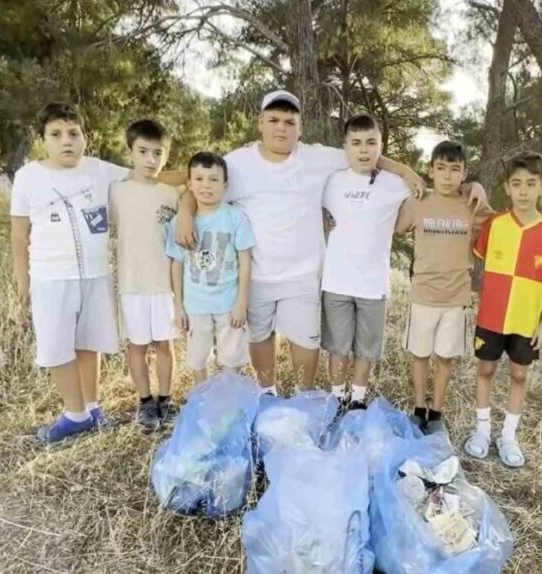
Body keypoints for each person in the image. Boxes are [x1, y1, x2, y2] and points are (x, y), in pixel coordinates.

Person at [174, 90, 487, 396]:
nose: (281, 127)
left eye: (289, 121)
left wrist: (412, 172)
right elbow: (202, 182)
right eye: (274, 120)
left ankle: (304, 396)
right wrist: (186, 212)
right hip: (256, 271)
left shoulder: (317, 157)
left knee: (306, 343)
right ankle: (266, 393)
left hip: (303, 272)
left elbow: (366, 156)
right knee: (259, 336)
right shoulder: (239, 162)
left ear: (300, 128)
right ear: (260, 122)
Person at [10, 103, 133, 444]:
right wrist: (23, 284)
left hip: (95, 275)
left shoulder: (99, 170)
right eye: (56, 134)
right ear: (43, 139)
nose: (66, 141)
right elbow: (19, 234)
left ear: (86, 137)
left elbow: (143, 177)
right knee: (56, 346)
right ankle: (74, 413)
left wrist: (197, 177)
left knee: (88, 342)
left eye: (74, 133)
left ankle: (92, 408)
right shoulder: (28, 177)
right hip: (51, 277)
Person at [464, 151, 542, 468]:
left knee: (519, 375)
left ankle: (508, 437)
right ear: (507, 188)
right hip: (491, 315)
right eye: (516, 184)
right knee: (486, 370)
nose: (523, 191)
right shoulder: (496, 224)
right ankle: (481, 432)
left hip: (526, 319)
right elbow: (472, 257)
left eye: (531, 184)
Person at [394, 140, 495, 436]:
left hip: (455, 297)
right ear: (430, 171)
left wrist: (479, 188)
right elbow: (395, 225)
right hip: (423, 294)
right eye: (441, 168)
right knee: (420, 355)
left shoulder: (471, 205)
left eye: (455, 169)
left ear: (463, 173)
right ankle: (418, 409)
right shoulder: (418, 203)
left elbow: (503, 223)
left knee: (445, 357)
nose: (448, 176)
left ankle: (436, 411)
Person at [320, 115, 410, 410]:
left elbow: (429, 194)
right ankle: (336, 395)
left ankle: (357, 398)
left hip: (373, 284)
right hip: (336, 280)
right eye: (356, 143)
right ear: (346, 147)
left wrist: (477, 190)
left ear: (380, 146)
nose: (364, 150)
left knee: (366, 349)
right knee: (337, 346)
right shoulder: (330, 181)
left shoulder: (395, 184)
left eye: (371, 142)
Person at [110, 119, 181, 431]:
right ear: (131, 153)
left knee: (165, 344)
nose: (151, 159)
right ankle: (145, 401)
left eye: (158, 153)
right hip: (132, 282)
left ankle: (166, 399)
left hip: (164, 282)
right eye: (143, 152)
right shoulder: (116, 191)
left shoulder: (171, 194)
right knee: (137, 346)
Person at [166, 152, 256, 385]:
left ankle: (229, 400)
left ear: (225, 185)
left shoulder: (235, 217)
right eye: (199, 179)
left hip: (229, 303)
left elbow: (245, 260)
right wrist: (178, 306)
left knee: (231, 359)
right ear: (189, 184)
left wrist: (241, 303)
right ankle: (202, 398)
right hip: (196, 304)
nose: (206, 185)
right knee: (198, 358)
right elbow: (177, 264)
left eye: (214, 180)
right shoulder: (179, 223)